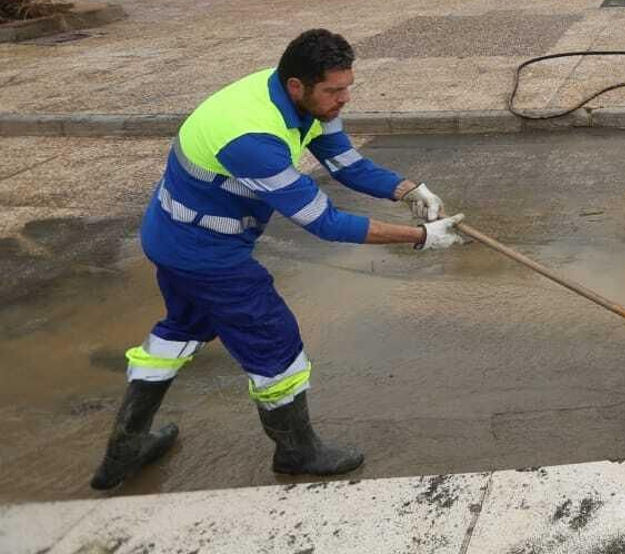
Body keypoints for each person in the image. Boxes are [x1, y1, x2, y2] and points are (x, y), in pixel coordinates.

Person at [89, 29, 469, 491]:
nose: (344, 99)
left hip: (172, 237)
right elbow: (323, 221)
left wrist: (408, 189)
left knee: (182, 329)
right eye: (334, 90)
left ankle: (126, 447)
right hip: (205, 253)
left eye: (348, 86)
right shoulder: (252, 137)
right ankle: (296, 451)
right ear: (297, 86)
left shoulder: (302, 98)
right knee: (274, 341)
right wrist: (420, 238)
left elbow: (345, 163)